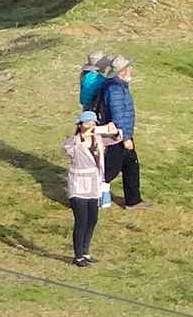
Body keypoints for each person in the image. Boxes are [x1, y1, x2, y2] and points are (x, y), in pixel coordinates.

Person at [93, 57, 142, 207]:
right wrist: (125, 138)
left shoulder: (119, 85)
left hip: (122, 134)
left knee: (130, 166)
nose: (131, 70)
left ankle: (133, 200)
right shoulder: (115, 89)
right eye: (129, 68)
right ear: (123, 71)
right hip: (117, 136)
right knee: (110, 169)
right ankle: (97, 197)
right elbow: (118, 115)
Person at [66, 109, 110, 266]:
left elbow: (116, 138)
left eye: (93, 123)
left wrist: (112, 129)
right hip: (78, 186)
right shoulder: (74, 142)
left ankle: (85, 251)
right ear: (80, 125)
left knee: (92, 219)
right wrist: (84, 137)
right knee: (81, 221)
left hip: (94, 185)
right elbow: (68, 149)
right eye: (87, 123)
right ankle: (78, 256)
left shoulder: (98, 139)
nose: (91, 125)